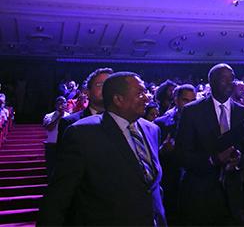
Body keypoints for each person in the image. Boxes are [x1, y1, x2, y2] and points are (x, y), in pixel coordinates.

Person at [38, 72, 166, 226]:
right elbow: (58, 196)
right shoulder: (82, 133)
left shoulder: (152, 130)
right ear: (118, 99)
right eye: (140, 93)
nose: (147, 97)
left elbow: (150, 185)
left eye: (145, 92)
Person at [175, 63, 244, 225]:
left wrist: (239, 160)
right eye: (223, 79)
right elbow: (182, 155)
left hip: (232, 197)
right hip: (200, 196)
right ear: (211, 82)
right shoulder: (192, 112)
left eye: (231, 79)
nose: (229, 83)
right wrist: (214, 160)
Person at [154, 84, 197, 225]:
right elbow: (151, 157)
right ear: (176, 100)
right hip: (170, 183)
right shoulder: (160, 124)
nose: (189, 105)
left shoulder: (202, 123)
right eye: (185, 100)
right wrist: (163, 150)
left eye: (193, 101)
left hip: (194, 183)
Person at [57, 67, 113, 149]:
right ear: (87, 92)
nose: (105, 88)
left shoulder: (123, 121)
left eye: (109, 85)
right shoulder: (70, 123)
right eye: (99, 85)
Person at [42, 96, 69, 176]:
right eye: (59, 102)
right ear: (56, 105)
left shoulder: (70, 116)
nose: (61, 104)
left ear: (66, 104)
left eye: (63, 102)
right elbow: (49, 128)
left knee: (63, 169)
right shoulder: (49, 115)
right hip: (51, 145)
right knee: (51, 168)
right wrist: (59, 117)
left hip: (64, 146)